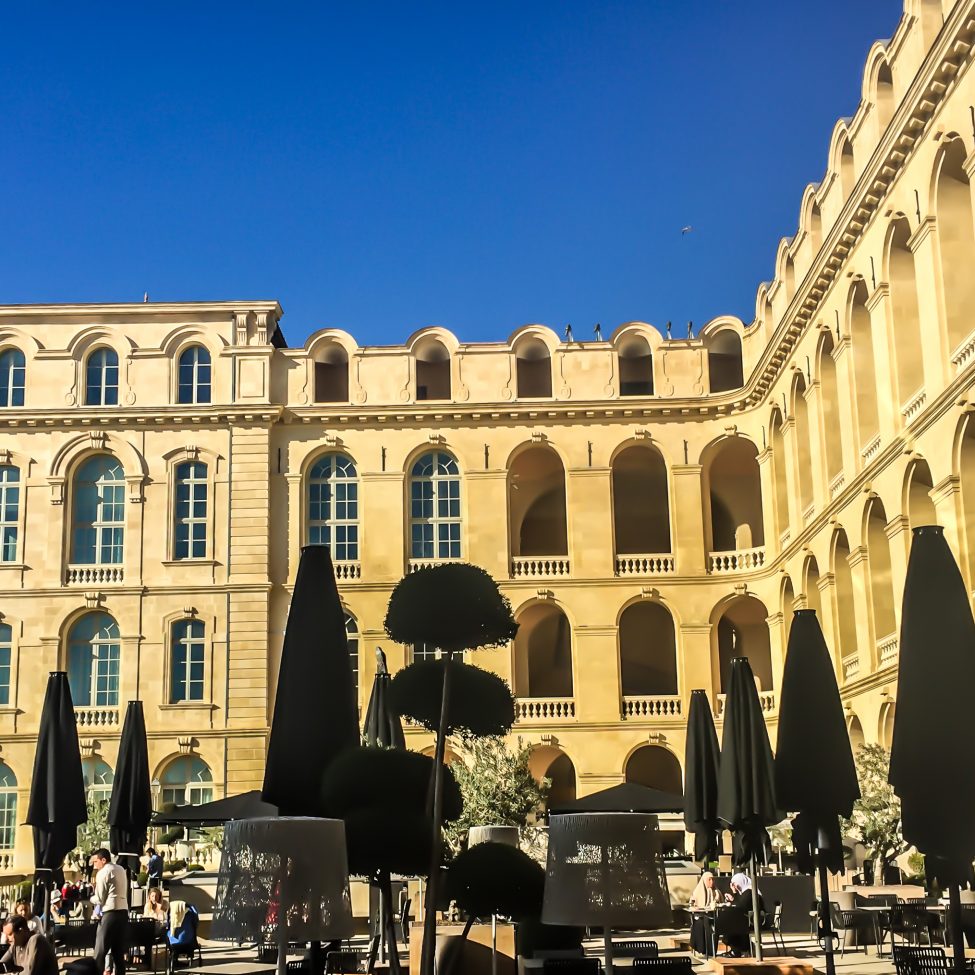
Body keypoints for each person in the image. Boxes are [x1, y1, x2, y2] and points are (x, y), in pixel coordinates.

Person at [91, 848, 129, 975]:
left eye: (95, 861)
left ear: (103, 860)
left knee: (100, 951)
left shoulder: (102, 873)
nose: (94, 865)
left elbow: (99, 899)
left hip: (110, 913)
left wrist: (90, 898)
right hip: (123, 912)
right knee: (118, 952)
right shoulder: (121, 869)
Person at [715, 872, 765, 958]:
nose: (733, 886)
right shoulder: (749, 891)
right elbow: (739, 904)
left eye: (734, 884)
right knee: (732, 922)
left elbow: (739, 907)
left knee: (729, 925)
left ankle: (737, 950)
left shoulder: (749, 892)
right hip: (750, 920)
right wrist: (733, 897)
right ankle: (740, 948)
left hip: (753, 922)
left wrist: (734, 893)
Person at [688, 871, 718, 955]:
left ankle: (711, 950)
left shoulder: (716, 891)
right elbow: (692, 904)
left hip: (713, 916)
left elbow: (720, 902)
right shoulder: (697, 891)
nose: (712, 882)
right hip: (700, 915)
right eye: (709, 880)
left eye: (713, 879)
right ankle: (701, 948)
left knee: (710, 924)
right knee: (699, 924)